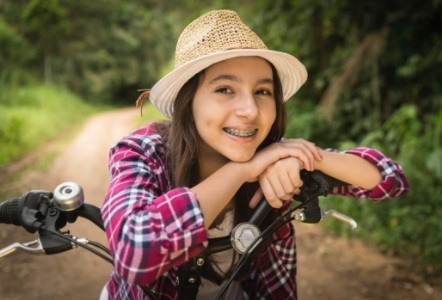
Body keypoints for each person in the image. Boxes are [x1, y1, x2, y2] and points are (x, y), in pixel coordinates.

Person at [101, 9, 409, 300]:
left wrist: (304, 157)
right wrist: (241, 172)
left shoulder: (274, 154)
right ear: (189, 102)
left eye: (263, 92)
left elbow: (388, 179)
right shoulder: (145, 151)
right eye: (225, 89)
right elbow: (134, 252)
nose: (249, 111)